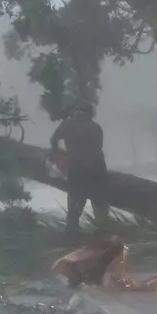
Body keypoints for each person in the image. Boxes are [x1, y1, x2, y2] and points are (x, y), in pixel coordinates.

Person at [50, 102, 110, 238]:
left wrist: (61, 154)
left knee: (76, 199)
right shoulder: (96, 127)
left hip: (77, 167)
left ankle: (72, 230)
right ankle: (102, 230)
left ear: (75, 112)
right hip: (98, 167)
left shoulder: (67, 125)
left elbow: (53, 140)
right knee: (99, 200)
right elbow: (98, 146)